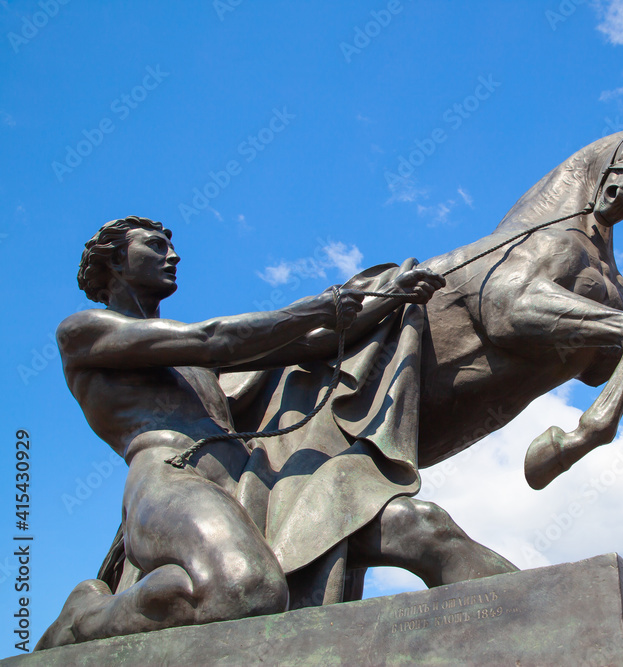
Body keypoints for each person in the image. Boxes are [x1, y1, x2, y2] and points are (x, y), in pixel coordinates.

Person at [37, 215, 449, 647]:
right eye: (155, 246)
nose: (172, 256)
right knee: (247, 589)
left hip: (246, 479)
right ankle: (86, 619)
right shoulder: (82, 331)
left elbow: (313, 345)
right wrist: (316, 306)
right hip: (171, 477)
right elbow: (213, 336)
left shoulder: (190, 357)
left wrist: (390, 296)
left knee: (392, 527)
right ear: (116, 263)